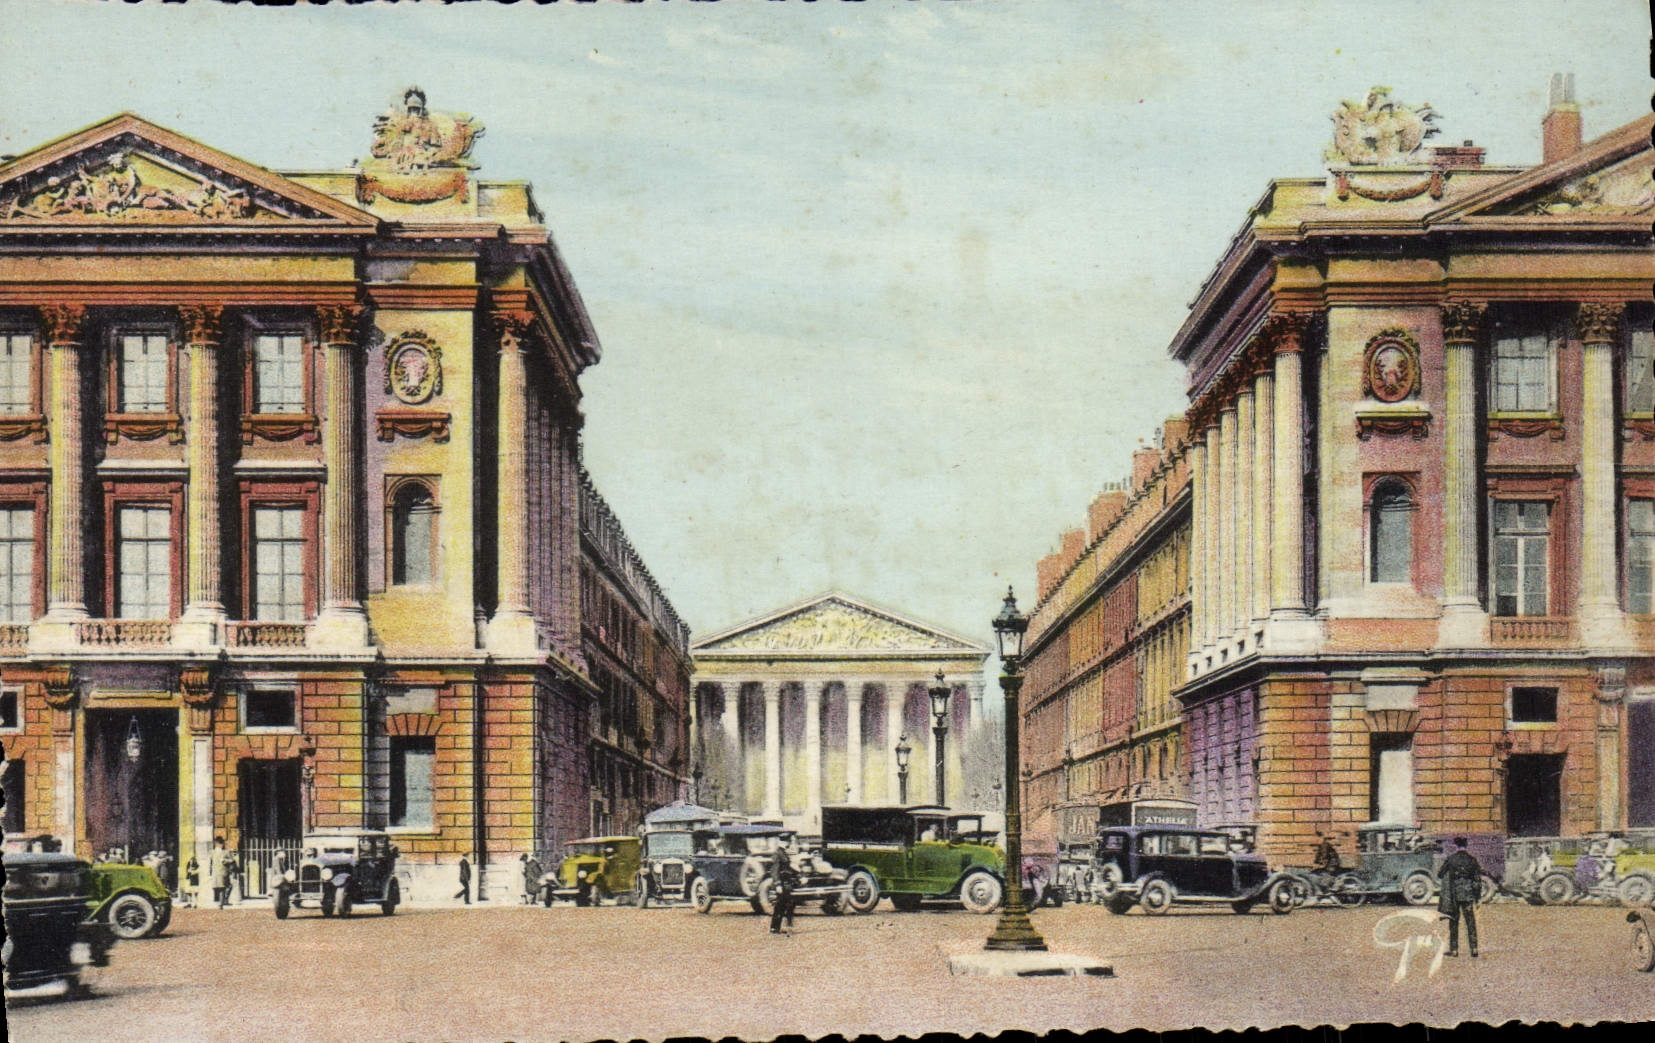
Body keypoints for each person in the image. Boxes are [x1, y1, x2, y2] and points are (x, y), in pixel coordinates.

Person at [1438, 836, 1483, 958]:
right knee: (1470, 921)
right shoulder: (1472, 860)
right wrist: (1477, 898)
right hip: (1468, 894)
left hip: (1454, 894)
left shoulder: (1451, 859)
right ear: (1466, 846)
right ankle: (1474, 948)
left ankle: (1454, 950)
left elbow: (1440, 874)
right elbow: (1477, 880)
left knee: (1453, 922)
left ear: (1456, 846)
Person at [768, 841, 800, 935]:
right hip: (782, 883)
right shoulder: (777, 854)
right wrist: (777, 884)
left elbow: (789, 868)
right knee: (780, 905)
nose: (788, 844)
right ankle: (775, 928)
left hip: (787, 883)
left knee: (787, 905)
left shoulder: (783, 853)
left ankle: (782, 927)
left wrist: (799, 875)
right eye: (787, 841)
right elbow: (774, 870)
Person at [209, 837, 233, 908]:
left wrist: (225, 860)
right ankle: (221, 901)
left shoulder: (226, 852)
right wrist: (210, 871)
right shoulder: (212, 852)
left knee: (223, 887)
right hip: (216, 873)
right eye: (220, 843)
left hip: (223, 872)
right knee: (218, 887)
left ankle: (221, 903)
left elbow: (232, 860)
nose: (221, 845)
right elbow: (210, 863)